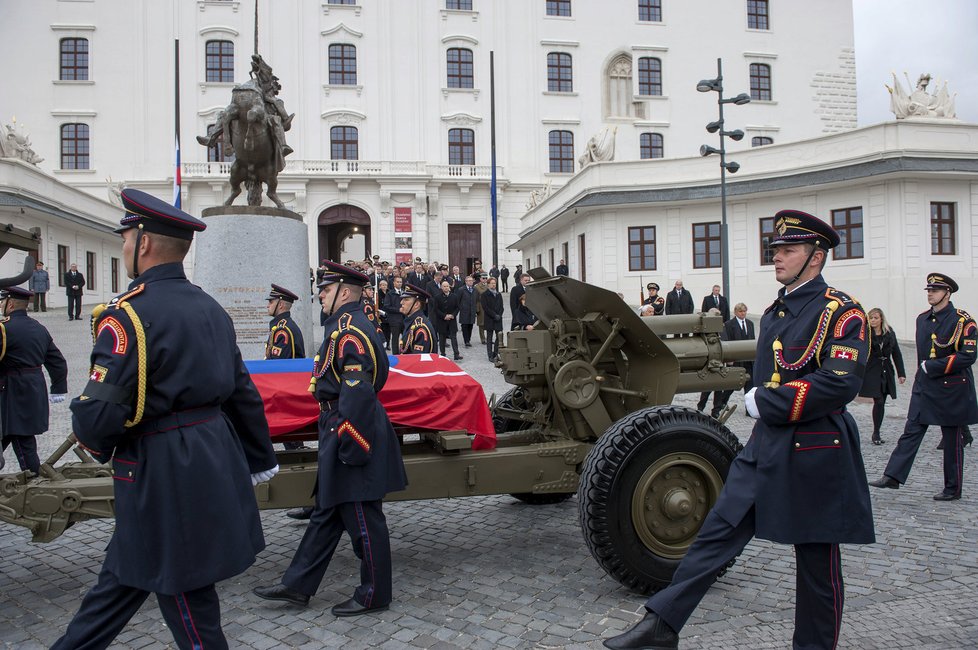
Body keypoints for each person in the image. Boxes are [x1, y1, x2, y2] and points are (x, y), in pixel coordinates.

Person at [605, 209, 874, 650]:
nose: (778, 258)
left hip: (816, 450)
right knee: (716, 532)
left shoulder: (841, 313)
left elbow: (839, 384)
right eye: (776, 250)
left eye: (789, 250)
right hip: (766, 446)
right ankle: (661, 626)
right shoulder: (777, 312)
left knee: (816, 564)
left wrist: (765, 401)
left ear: (817, 257)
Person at [54, 188, 279, 649]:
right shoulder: (210, 309)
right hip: (210, 451)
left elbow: (99, 413)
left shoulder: (128, 316)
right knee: (123, 576)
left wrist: (89, 437)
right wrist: (258, 458)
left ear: (145, 243)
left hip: (161, 469)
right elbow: (242, 394)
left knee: (184, 594)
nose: (123, 248)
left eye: (125, 238)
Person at [253, 262, 407, 616]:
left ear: (345, 292)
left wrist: (350, 445)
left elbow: (358, 397)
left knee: (363, 518)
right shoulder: (341, 327)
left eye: (326, 289)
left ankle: (374, 594)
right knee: (327, 512)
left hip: (349, 430)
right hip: (337, 425)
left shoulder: (349, 332)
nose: (319, 294)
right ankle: (297, 585)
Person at [869, 273, 977, 501]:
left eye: (935, 290)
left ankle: (952, 488)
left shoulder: (962, 321)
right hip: (926, 386)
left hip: (951, 387)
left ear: (947, 293)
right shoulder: (923, 319)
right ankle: (893, 475)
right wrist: (921, 373)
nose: (930, 293)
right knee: (911, 430)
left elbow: (968, 356)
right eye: (928, 290)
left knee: (951, 440)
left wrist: (933, 367)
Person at [0, 286, 68, 474]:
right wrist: (58, 388)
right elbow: (58, 362)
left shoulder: (4, 329)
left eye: (2, 302)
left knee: (22, 441)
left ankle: (34, 483)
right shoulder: (39, 328)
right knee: (21, 437)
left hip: (11, 391)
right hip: (34, 388)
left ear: (10, 304)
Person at [858, 307, 906, 445]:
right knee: (878, 400)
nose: (873, 320)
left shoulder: (889, 333)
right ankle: (876, 433)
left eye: (875, 318)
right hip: (871, 370)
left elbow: (896, 353)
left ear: (881, 319)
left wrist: (901, 373)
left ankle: (877, 429)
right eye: (871, 318)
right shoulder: (865, 334)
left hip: (886, 370)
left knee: (881, 403)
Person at [264, 284, 305, 360]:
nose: (268, 306)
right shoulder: (284, 325)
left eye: (270, 302)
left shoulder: (282, 331)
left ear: (280, 305)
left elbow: (277, 366)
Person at [399, 283, 434, 354]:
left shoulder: (421, 328)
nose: (401, 302)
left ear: (416, 304)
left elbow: (418, 361)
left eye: (406, 299)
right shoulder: (412, 321)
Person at [433, 279, 462, 360]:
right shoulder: (437, 297)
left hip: (452, 320)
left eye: (447, 286)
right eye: (444, 286)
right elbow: (436, 309)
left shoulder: (454, 296)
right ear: (441, 288)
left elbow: (457, 307)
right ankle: (442, 354)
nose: (446, 288)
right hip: (442, 320)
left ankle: (456, 354)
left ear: (449, 287)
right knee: (442, 338)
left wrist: (453, 315)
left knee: (454, 337)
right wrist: (444, 316)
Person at [481, 277, 504, 362]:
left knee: (499, 337)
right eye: (492, 283)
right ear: (488, 284)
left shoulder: (498, 294)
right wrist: (494, 315)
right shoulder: (484, 295)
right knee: (489, 338)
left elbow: (502, 307)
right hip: (490, 319)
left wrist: (499, 315)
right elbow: (485, 308)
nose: (494, 285)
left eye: (495, 283)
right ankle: (490, 355)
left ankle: (495, 353)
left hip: (498, 319)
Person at [383, 275, 405, 351]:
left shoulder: (404, 292)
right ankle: (396, 355)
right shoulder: (390, 294)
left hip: (404, 319)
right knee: (395, 338)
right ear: (394, 283)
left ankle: (405, 353)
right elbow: (387, 306)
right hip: (394, 320)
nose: (399, 283)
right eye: (397, 282)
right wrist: (398, 310)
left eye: (400, 282)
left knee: (406, 337)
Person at [456, 275, 478, 348]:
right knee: (464, 326)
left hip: (472, 311)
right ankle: (466, 341)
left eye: (471, 281)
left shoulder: (475, 289)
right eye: (469, 281)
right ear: (466, 282)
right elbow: (458, 300)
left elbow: (476, 300)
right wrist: (461, 308)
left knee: (470, 326)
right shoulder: (461, 289)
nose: (470, 282)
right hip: (464, 311)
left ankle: (468, 339)